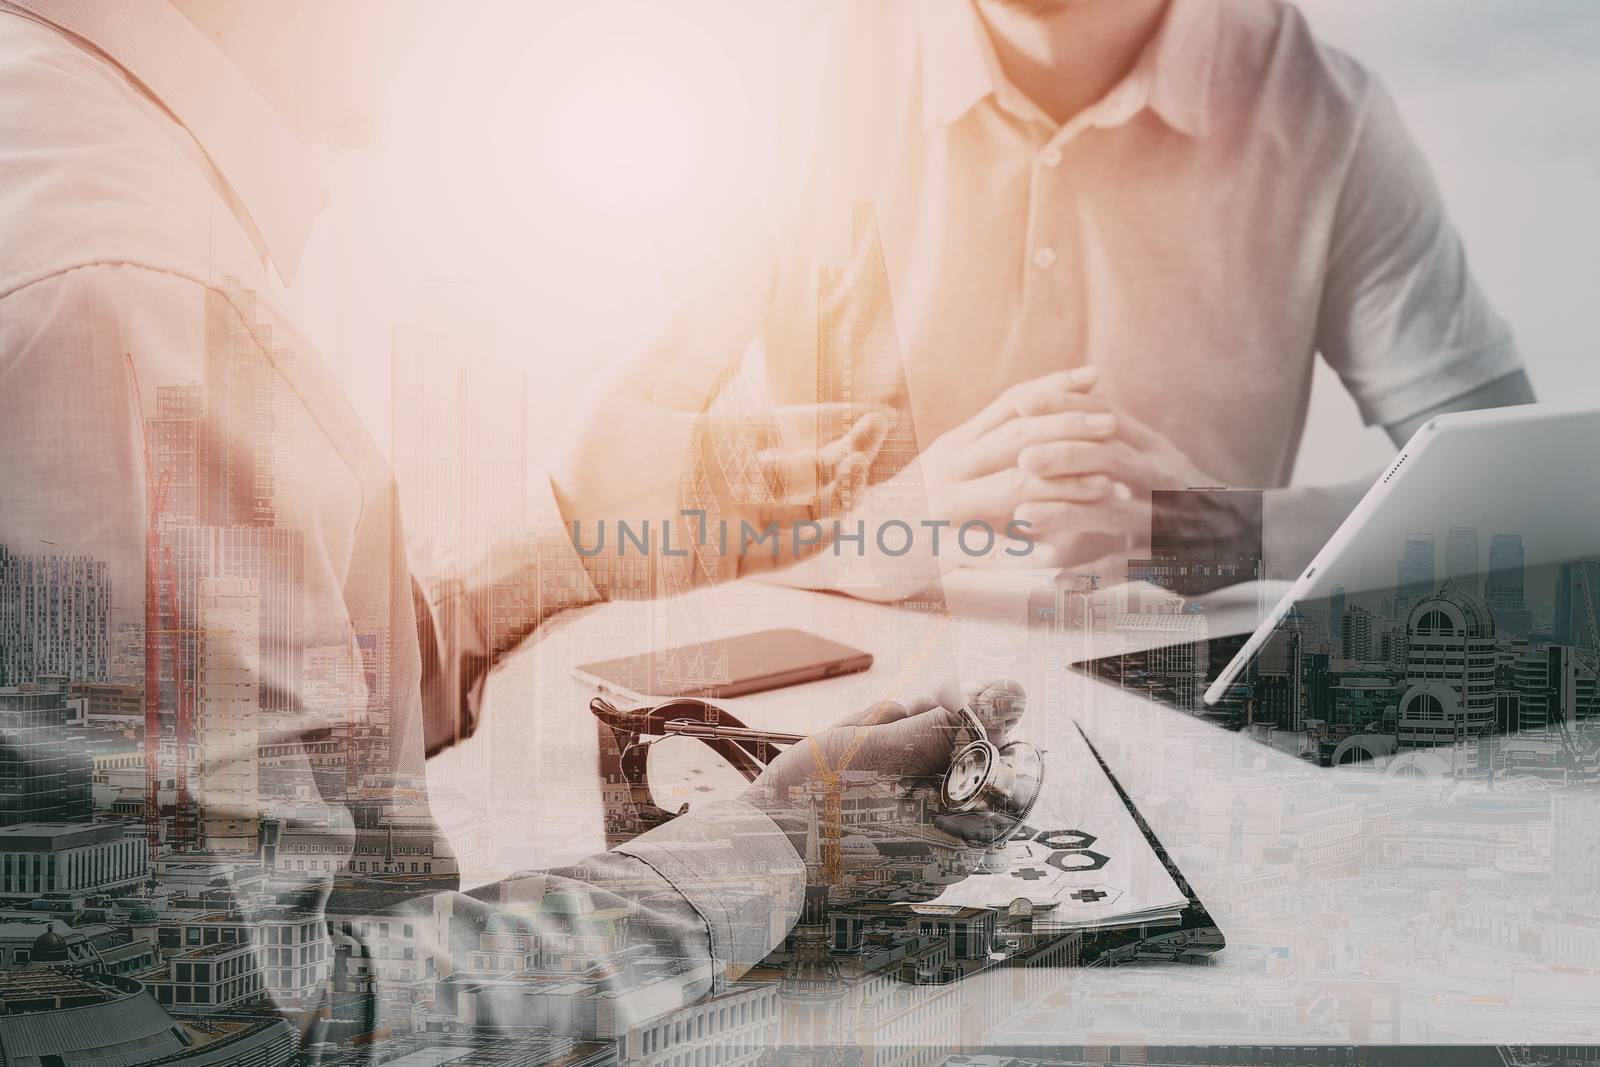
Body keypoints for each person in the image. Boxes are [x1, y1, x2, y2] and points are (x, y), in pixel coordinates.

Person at [0, 0, 1023, 1056]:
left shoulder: (68, 152)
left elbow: (249, 756)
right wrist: (783, 850)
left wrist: (560, 548)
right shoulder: (122, 295)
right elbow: (250, 1031)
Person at [559, 0, 1534, 599]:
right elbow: (606, 506)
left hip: (1197, 732)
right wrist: (883, 529)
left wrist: (1230, 532)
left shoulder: (1327, 115)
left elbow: (1527, 499)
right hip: (836, 726)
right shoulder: (794, 92)